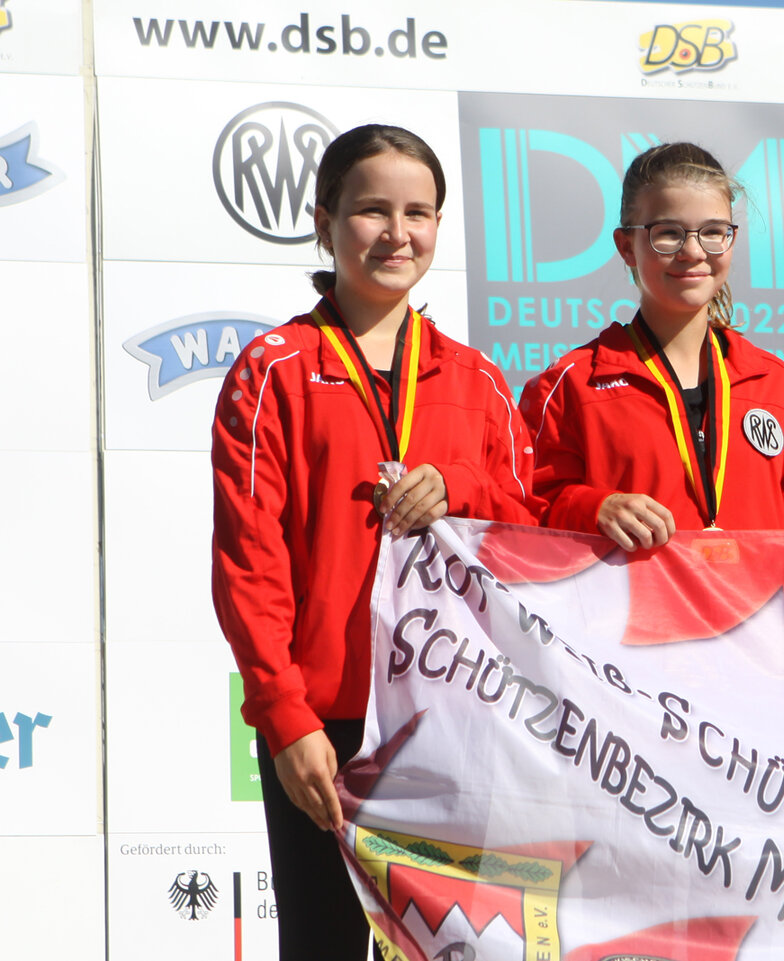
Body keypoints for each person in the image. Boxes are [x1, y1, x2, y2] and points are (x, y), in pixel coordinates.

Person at [211, 124, 537, 959]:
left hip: (452, 715)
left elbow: (529, 531)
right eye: (372, 211)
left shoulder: (478, 380)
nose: (398, 232)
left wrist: (459, 487)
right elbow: (250, 563)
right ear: (324, 224)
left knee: (456, 947)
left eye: (418, 213)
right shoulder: (274, 368)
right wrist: (285, 718)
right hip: (326, 723)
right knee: (322, 944)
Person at [521, 142, 784, 549]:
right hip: (635, 593)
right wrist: (593, 508)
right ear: (627, 246)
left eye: (714, 232)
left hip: (757, 592)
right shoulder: (572, 385)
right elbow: (523, 512)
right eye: (668, 234)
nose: (694, 252)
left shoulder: (771, 382)